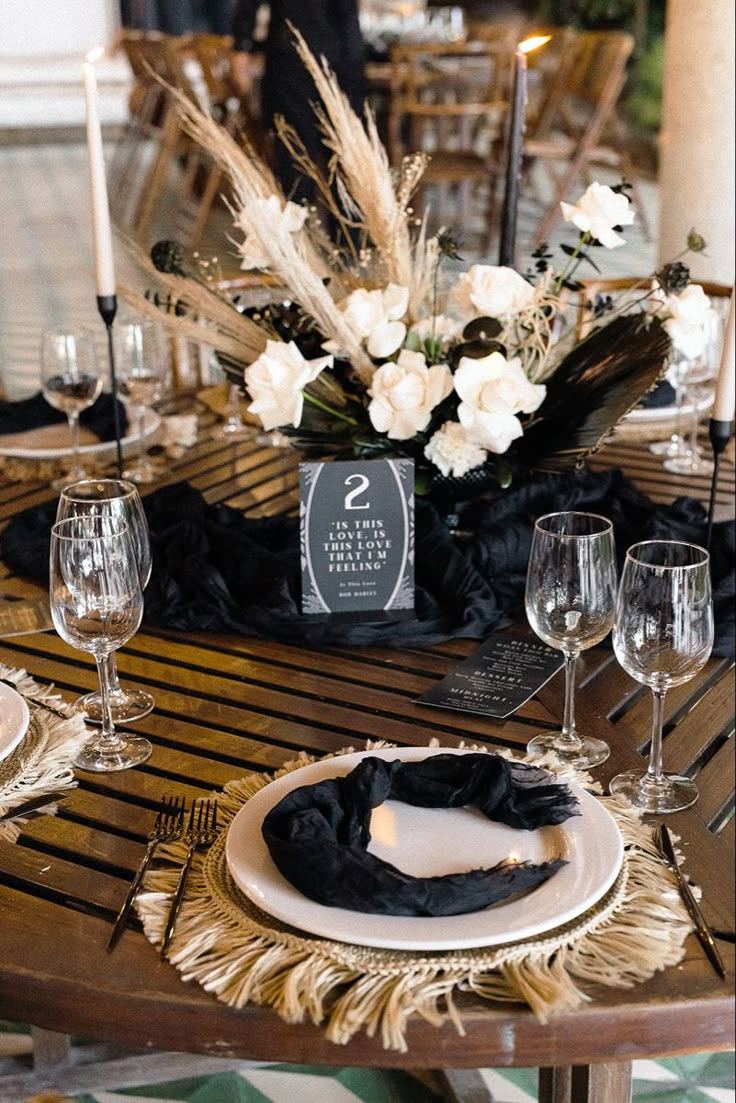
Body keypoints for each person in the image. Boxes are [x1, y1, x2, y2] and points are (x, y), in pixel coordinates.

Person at [229, 0, 366, 203]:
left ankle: (337, 231)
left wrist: (241, 46)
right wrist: (241, 47)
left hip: (336, 60)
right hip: (294, 60)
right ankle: (299, 229)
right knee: (296, 162)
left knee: (343, 164)